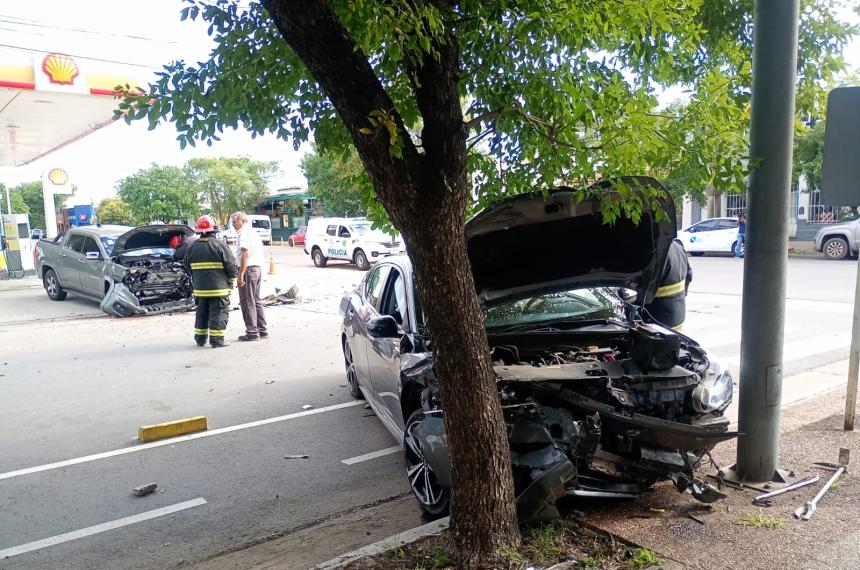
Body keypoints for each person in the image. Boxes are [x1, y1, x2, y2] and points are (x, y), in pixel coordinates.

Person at [184, 215, 238, 348]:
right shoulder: (220, 245)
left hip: (200, 289)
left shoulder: (192, 246)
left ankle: (200, 339)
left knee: (201, 313)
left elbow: (186, 266)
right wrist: (231, 281)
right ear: (214, 230)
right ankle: (217, 340)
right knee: (218, 313)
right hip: (219, 289)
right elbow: (231, 266)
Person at [231, 212, 268, 341]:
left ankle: (252, 332)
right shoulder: (253, 232)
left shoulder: (244, 233)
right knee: (256, 300)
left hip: (249, 269)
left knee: (247, 301)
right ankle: (262, 330)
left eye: (235, 222)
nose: (233, 225)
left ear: (243, 221)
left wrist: (240, 274)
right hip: (256, 269)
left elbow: (245, 254)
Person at [646, 238, 692, 331]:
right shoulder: (677, 246)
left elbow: (643, 294)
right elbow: (689, 275)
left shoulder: (656, 252)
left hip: (658, 320)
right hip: (677, 314)